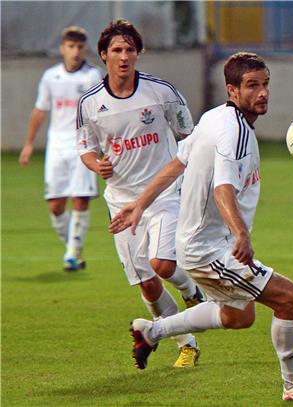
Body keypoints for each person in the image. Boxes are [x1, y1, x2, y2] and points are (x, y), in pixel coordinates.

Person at [109, 52, 293, 402]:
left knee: (238, 317)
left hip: (201, 245)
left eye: (265, 84)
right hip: (208, 249)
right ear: (232, 90)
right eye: (252, 86)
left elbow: (176, 163)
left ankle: (153, 331)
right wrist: (241, 233)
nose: (262, 93)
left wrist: (140, 203)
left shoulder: (213, 118)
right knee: (289, 299)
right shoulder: (235, 132)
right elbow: (223, 188)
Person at [77, 20, 204, 368]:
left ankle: (192, 291)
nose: (123, 56)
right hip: (120, 202)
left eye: (129, 49)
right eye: (116, 50)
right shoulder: (90, 104)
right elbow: (86, 147)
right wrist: (95, 165)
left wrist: (193, 178)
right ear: (103, 55)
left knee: (162, 264)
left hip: (162, 193)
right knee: (147, 286)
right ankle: (187, 344)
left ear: (137, 54)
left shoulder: (161, 92)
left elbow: (188, 135)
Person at [19, 26, 102, 271]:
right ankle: (72, 247)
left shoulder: (93, 77)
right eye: (70, 46)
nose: (75, 52)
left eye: (79, 47)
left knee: (80, 198)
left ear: (84, 48)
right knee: (55, 205)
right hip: (57, 145)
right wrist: (29, 144)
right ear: (62, 48)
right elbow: (40, 109)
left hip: (84, 144)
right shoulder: (50, 76)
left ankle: (72, 255)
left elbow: (101, 113)